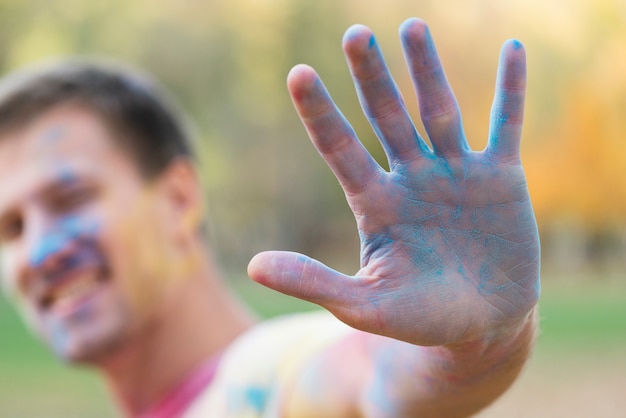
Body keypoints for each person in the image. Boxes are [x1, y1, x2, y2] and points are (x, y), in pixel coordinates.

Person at [0, 17, 539, 417]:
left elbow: (364, 377)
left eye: (71, 201)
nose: (40, 252)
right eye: (11, 228)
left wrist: (475, 346)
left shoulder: (257, 383)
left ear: (179, 201)